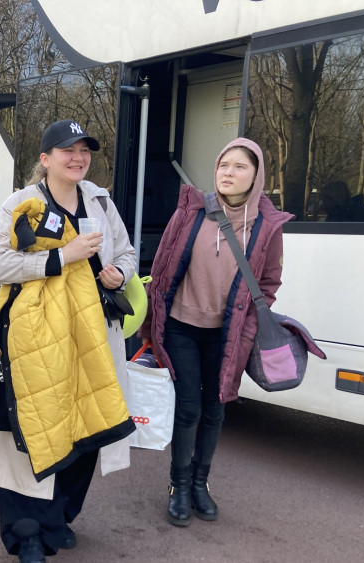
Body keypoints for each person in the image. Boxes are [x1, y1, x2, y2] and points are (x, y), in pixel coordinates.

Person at [0, 119, 137, 563]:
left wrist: (119, 273)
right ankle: (27, 531)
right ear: (45, 159)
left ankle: (58, 518)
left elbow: (126, 252)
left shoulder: (100, 202)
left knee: (86, 420)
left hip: (91, 337)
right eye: (67, 149)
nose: (78, 157)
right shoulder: (21, 204)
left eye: (85, 149)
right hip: (36, 341)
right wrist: (59, 258)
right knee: (30, 430)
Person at [139, 138, 291, 527]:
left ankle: (200, 484)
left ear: (256, 177)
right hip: (181, 327)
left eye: (240, 166)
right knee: (189, 407)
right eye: (224, 164)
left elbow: (269, 283)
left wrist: (250, 324)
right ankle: (178, 486)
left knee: (215, 409)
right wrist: (148, 325)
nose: (228, 172)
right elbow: (161, 269)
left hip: (227, 334)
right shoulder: (191, 213)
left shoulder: (267, 227)